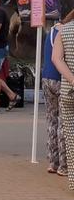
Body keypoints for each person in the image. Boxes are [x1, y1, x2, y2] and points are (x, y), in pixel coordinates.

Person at [51, 11, 74, 190]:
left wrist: (72, 79)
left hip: (68, 91)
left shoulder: (63, 31)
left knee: (71, 138)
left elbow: (56, 59)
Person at [43, 21, 67, 176]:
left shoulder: (51, 31)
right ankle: (64, 165)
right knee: (63, 123)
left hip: (46, 78)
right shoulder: (66, 33)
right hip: (61, 79)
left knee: (51, 120)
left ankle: (53, 161)